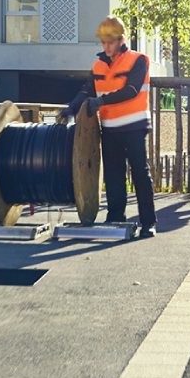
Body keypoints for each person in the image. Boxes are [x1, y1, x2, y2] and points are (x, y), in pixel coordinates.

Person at [58, 16, 156, 238]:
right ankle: (115, 218)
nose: (106, 46)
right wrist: (71, 108)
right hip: (110, 129)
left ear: (121, 40)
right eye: (103, 42)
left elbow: (131, 89)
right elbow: (87, 91)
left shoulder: (138, 60)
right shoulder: (98, 66)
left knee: (140, 174)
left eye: (110, 42)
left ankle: (148, 222)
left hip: (135, 127)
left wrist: (100, 102)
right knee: (113, 176)